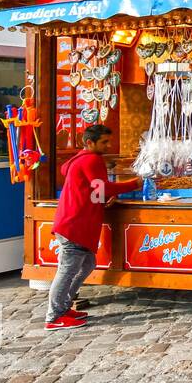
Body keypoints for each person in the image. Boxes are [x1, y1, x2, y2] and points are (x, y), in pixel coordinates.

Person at [46, 124, 140, 331]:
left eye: (108, 141)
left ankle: (63, 306)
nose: (108, 145)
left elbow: (94, 190)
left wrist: (106, 197)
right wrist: (134, 183)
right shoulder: (92, 159)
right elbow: (102, 187)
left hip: (73, 223)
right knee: (67, 271)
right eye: (104, 142)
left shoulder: (80, 160)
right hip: (75, 224)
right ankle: (54, 316)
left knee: (87, 264)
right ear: (90, 143)